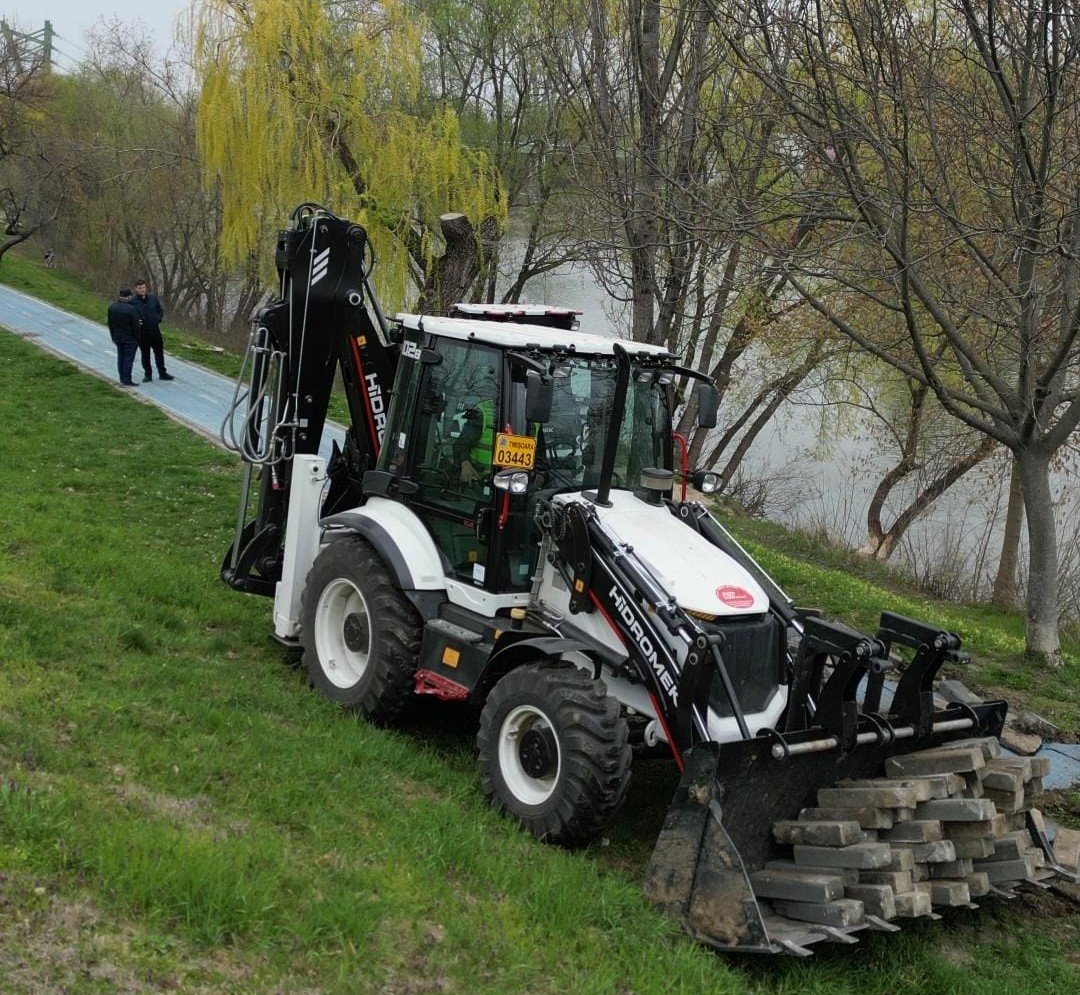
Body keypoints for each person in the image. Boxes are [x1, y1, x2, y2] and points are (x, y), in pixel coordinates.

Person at [131, 280, 174, 382]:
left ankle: (162, 373)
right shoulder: (133, 301)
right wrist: (137, 321)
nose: (142, 290)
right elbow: (130, 315)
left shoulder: (153, 298)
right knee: (145, 354)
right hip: (142, 332)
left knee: (159, 352)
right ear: (136, 289)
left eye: (143, 287)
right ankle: (148, 374)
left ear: (146, 288)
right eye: (140, 288)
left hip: (155, 330)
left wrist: (157, 319)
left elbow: (160, 310)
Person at [107, 289, 142, 387]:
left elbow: (110, 324)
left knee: (120, 358)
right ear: (129, 296)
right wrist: (137, 338)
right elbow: (136, 326)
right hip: (130, 338)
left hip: (118, 337)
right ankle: (127, 380)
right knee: (128, 359)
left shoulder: (112, 307)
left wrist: (113, 336)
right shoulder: (131, 309)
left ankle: (122, 378)